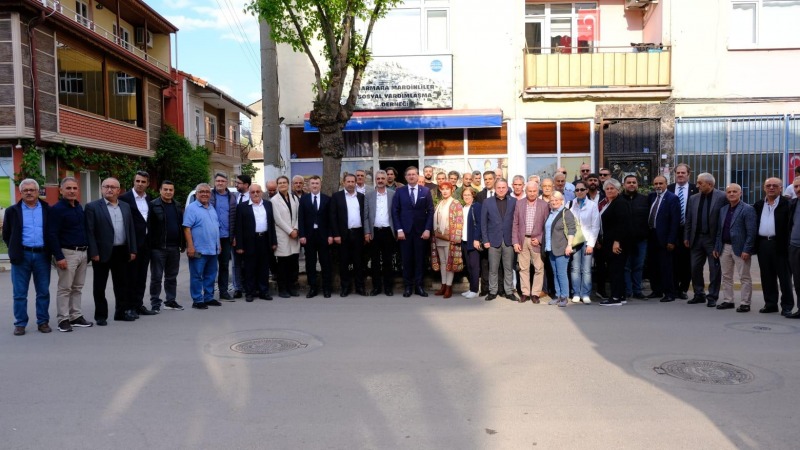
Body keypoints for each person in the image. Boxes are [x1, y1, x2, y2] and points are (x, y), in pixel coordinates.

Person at [86, 177, 138, 322]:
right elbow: (90, 231)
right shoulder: (92, 207)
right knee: (100, 286)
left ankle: (120, 313)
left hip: (122, 250)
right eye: (106, 186)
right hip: (101, 252)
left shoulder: (125, 206)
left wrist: (132, 250)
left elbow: (130, 229)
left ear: (118, 190)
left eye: (113, 187)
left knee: (121, 284)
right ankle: (101, 315)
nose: (109, 189)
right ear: (102, 189)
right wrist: (93, 252)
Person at [4, 179, 52, 335]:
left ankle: (43, 322)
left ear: (38, 192)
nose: (29, 192)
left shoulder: (47, 209)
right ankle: (20, 323)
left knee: (43, 292)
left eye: (32, 190)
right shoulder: (12, 211)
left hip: (42, 255)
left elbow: (51, 232)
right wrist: (14, 250)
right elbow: (7, 234)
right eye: (26, 190)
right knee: (19, 293)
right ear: (21, 192)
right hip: (21, 256)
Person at [47, 177, 93, 332]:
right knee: (65, 288)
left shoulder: (78, 207)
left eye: (74, 188)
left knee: (77, 287)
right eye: (68, 188)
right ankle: (63, 319)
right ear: (61, 190)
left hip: (82, 253)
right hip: (67, 254)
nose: (72, 191)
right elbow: (52, 234)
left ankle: (76, 316)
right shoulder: (57, 209)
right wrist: (59, 256)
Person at [712, 184, 756, 312]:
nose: (731, 194)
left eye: (734, 191)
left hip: (741, 249)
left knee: (744, 277)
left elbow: (751, 232)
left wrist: (747, 249)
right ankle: (728, 300)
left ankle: (745, 303)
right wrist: (717, 247)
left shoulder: (747, 209)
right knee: (726, 276)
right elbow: (719, 231)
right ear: (726, 194)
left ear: (740, 193)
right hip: (724, 247)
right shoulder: (723, 209)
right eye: (729, 192)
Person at [685, 172, 727, 307]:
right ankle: (699, 294)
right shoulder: (693, 198)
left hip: (712, 239)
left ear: (710, 184)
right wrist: (686, 236)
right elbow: (689, 219)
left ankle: (712, 296)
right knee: (695, 268)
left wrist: (720, 241)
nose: (697, 186)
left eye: (700, 183)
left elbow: (725, 219)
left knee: (714, 269)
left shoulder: (722, 197)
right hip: (696, 239)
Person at [392, 166, 434, 297]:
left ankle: (419, 287)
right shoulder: (400, 191)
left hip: (421, 232)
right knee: (407, 260)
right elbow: (395, 211)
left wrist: (427, 229)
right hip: (404, 232)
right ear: (405, 177)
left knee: (420, 260)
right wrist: (399, 230)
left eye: (413, 174)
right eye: (409, 174)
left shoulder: (425, 191)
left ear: (417, 176)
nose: (411, 176)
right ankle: (408, 287)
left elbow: (430, 211)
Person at [754, 177, 794, 316]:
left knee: (784, 277)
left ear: (781, 188)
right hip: (763, 244)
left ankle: (787, 306)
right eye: (768, 185)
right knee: (767, 276)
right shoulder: (759, 205)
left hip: (781, 245)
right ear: (764, 188)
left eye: (775, 186)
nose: (771, 188)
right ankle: (770, 304)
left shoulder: (788, 204)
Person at [119, 170, 156, 316]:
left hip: (145, 244)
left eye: (143, 182)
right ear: (134, 182)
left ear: (147, 184)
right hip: (131, 245)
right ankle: (129, 307)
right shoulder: (124, 199)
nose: (140, 184)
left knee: (142, 276)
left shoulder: (149, 199)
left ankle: (138, 304)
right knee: (130, 277)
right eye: (137, 181)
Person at [148, 180, 185, 313]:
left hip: (174, 247)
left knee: (171, 277)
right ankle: (155, 303)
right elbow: (149, 227)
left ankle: (170, 301)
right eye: (165, 189)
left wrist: (182, 244)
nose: (168, 192)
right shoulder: (153, 205)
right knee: (156, 277)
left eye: (171, 190)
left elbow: (181, 226)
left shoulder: (177, 205)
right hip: (158, 248)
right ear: (160, 190)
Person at [235, 184, 277, 302]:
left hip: (265, 239)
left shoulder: (268, 205)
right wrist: (239, 245)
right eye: (253, 192)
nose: (255, 194)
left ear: (261, 192)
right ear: (249, 193)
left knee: (264, 267)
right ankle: (250, 292)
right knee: (250, 268)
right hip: (249, 241)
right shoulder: (242, 207)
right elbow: (238, 227)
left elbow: (271, 224)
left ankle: (264, 291)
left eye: (258, 191)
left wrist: (273, 241)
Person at [183, 183, 221, 310]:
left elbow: (216, 227)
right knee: (197, 275)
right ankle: (197, 300)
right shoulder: (192, 208)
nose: (205, 194)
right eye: (201, 191)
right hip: (198, 250)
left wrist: (219, 244)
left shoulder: (211, 208)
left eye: (207, 192)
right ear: (196, 194)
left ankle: (209, 297)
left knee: (211, 275)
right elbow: (187, 228)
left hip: (212, 249)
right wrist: (190, 246)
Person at [512, 180, 549, 304]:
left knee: (539, 268)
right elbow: (515, 224)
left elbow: (547, 226)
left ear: (537, 191)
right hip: (522, 240)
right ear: (526, 191)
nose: (532, 193)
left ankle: (535, 293)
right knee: (523, 268)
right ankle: (525, 293)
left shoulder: (544, 205)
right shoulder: (519, 204)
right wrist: (515, 242)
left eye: (534, 191)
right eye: (530, 191)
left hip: (536, 241)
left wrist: (540, 239)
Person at [481, 178, 517, 301]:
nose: (501, 190)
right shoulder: (487, 202)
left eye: (503, 187)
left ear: (507, 188)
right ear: (495, 189)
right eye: (499, 188)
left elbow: (516, 222)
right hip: (492, 240)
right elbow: (483, 223)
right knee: (493, 268)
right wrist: (485, 240)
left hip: (508, 240)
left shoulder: (514, 201)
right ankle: (493, 291)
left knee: (508, 268)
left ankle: (509, 291)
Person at [331, 173, 367, 297]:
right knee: (344, 262)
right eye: (348, 181)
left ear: (356, 183)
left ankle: (360, 287)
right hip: (343, 234)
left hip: (358, 234)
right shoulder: (337, 197)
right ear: (343, 183)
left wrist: (366, 233)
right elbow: (333, 217)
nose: (351, 184)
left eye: (353, 182)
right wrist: (336, 234)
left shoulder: (361, 197)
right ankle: (345, 287)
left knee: (359, 262)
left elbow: (365, 216)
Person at [647, 176, 681, 302]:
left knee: (666, 266)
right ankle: (656, 290)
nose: (658, 186)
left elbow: (675, 221)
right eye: (656, 183)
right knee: (653, 265)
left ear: (666, 184)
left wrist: (671, 240)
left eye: (661, 183)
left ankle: (669, 293)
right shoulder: (652, 196)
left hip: (665, 238)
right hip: (652, 235)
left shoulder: (672, 198)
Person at [298, 175, 333, 298]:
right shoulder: (304, 199)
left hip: (324, 236)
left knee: (325, 263)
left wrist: (330, 235)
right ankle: (313, 288)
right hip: (309, 236)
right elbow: (301, 218)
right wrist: (302, 235)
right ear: (309, 185)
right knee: (310, 263)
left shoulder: (327, 199)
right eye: (312, 183)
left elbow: (330, 219)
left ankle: (327, 288)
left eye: (317, 183)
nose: (314, 185)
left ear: (320, 185)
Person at [668, 163, 699, 299]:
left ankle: (683, 289)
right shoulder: (669, 189)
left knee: (687, 262)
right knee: (673, 260)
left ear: (688, 174)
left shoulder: (695, 189)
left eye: (683, 173)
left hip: (689, 230)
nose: (680, 175)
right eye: (678, 173)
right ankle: (674, 288)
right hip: (672, 230)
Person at [598, 178, 630, 306]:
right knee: (616, 269)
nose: (609, 190)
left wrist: (617, 241)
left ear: (618, 190)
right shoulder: (610, 203)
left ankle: (615, 297)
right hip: (609, 241)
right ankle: (621, 295)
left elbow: (622, 224)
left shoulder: (620, 203)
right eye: (607, 188)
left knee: (615, 270)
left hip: (616, 243)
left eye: (612, 188)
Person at [568, 180, 600, 304]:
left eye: (582, 189)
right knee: (575, 268)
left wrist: (591, 244)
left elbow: (595, 226)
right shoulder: (570, 204)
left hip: (587, 240)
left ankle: (585, 293)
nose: (579, 192)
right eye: (577, 190)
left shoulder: (592, 205)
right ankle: (576, 293)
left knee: (586, 269)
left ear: (586, 190)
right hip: (575, 241)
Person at [365, 170, 396, 296]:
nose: (380, 180)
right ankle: (376, 287)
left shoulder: (393, 194)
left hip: (388, 231)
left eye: (383, 178)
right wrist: (367, 232)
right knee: (375, 261)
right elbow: (366, 216)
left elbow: (396, 213)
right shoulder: (369, 195)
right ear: (375, 180)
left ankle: (388, 287)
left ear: (386, 180)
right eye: (378, 178)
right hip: (374, 232)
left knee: (388, 261)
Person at [543, 192, 576, 307]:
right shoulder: (551, 213)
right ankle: (557, 295)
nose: (554, 202)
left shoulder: (566, 213)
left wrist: (569, 245)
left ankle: (564, 296)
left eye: (557, 200)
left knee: (561, 273)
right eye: (552, 200)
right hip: (551, 248)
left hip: (562, 248)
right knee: (555, 273)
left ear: (562, 201)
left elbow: (572, 229)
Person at [431, 181, 463, 298]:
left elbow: (459, 221)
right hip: (439, 237)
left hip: (449, 238)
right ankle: (443, 285)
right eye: (442, 189)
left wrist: (455, 237)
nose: (444, 191)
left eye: (447, 189)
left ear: (451, 190)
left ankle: (449, 287)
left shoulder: (455, 203)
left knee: (449, 262)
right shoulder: (439, 203)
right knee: (443, 262)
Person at [271, 175, 301, 298]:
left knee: (293, 263)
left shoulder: (294, 197)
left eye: (284, 182)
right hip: (283, 235)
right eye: (280, 183)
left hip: (295, 235)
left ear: (288, 184)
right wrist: (290, 231)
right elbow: (277, 219)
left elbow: (299, 215)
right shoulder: (274, 200)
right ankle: (282, 289)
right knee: (283, 264)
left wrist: (296, 229)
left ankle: (292, 287)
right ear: (277, 185)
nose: (282, 184)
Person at [621, 175, 650, 299]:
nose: (631, 184)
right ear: (624, 185)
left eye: (634, 182)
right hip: (624, 240)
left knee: (638, 266)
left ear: (637, 185)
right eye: (629, 182)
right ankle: (628, 291)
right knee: (626, 267)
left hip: (641, 240)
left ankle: (637, 291)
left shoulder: (645, 200)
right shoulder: (619, 199)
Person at [209, 173, 236, 300]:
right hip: (211, 237)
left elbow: (235, 218)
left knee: (224, 266)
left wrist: (234, 236)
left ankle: (223, 292)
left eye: (223, 181)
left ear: (227, 183)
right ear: (214, 182)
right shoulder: (209, 195)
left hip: (226, 237)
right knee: (210, 266)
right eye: (218, 180)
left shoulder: (232, 197)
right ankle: (208, 294)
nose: (220, 183)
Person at [231, 174, 251, 299]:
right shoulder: (234, 197)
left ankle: (249, 286)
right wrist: (233, 236)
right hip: (236, 236)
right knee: (236, 264)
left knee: (248, 262)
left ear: (246, 185)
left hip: (249, 237)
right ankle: (237, 288)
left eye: (238, 183)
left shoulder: (253, 197)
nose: (236, 185)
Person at [460, 187, 482, 298]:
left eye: (469, 195)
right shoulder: (463, 207)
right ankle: (471, 288)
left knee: (474, 266)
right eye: (465, 195)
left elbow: (479, 224)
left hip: (473, 241)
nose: (467, 197)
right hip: (464, 241)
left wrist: (476, 239)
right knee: (468, 266)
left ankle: (475, 290)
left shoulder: (476, 206)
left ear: (473, 196)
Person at [786, 177, 800, 319]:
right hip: (795, 247)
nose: (798, 189)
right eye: (795, 187)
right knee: (798, 280)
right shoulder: (793, 204)